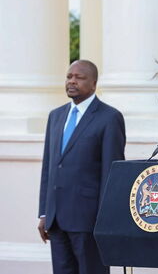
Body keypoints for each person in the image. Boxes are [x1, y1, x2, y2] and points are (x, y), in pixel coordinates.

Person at [37, 60, 126, 274]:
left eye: (79, 77)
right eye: (69, 77)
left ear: (94, 83)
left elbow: (111, 173)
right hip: (56, 219)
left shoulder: (109, 117)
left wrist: (106, 219)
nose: (72, 81)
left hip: (88, 221)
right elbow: (49, 168)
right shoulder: (55, 116)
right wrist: (43, 213)